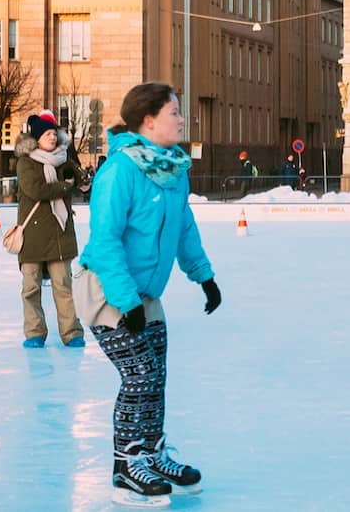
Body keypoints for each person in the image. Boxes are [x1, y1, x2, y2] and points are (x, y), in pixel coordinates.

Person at [77, 82, 220, 505]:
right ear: (148, 121)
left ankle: (153, 454)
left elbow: (184, 229)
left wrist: (204, 276)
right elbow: (104, 241)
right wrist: (125, 302)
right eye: (174, 112)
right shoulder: (120, 170)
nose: (181, 119)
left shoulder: (173, 170)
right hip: (107, 290)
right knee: (138, 376)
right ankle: (126, 465)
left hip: (145, 294)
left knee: (156, 377)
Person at [16, 110, 85, 348]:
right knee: (31, 287)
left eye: (54, 134)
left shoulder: (64, 159)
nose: (53, 138)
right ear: (37, 138)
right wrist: (64, 188)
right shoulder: (25, 162)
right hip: (32, 236)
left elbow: (80, 182)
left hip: (59, 232)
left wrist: (81, 182)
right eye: (47, 134)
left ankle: (72, 332)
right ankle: (35, 332)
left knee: (63, 286)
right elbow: (36, 190)